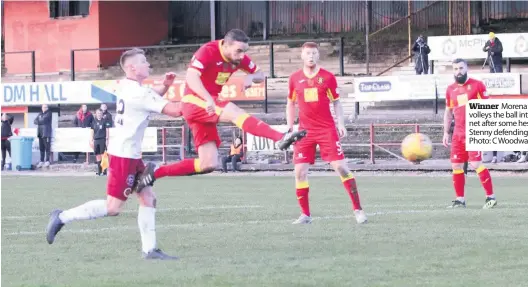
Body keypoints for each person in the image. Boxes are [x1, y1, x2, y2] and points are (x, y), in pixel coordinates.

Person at [46, 48, 184, 260]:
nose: (148, 64)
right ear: (132, 67)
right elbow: (175, 110)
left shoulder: (128, 87)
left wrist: (165, 86)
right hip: (124, 156)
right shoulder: (139, 92)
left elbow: (149, 97)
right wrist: (203, 99)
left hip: (129, 153)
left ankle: (150, 250)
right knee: (113, 207)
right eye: (144, 61)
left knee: (148, 197)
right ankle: (62, 217)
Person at [134, 29, 306, 191]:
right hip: (195, 101)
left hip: (206, 107)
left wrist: (251, 76)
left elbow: (260, 74)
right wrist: (208, 99)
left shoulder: (239, 59)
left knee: (207, 163)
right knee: (236, 113)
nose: (242, 55)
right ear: (226, 45)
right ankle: (281, 137)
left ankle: (155, 171)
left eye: (245, 51)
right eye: (239, 50)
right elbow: (192, 77)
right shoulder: (208, 51)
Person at [286, 42, 367, 224]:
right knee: (299, 172)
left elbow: (337, 102)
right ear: (302, 56)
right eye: (307, 53)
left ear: (318, 55)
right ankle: (305, 215)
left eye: (314, 53)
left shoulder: (328, 77)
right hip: (304, 132)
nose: (311, 56)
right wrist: (290, 127)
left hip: (326, 129)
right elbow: (290, 103)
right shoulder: (294, 79)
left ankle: (358, 210)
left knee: (341, 168)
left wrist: (341, 123)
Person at [442, 58, 497, 209]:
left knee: (476, 163)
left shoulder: (477, 85)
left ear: (467, 68)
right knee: (456, 165)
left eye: (461, 68)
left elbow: (488, 108)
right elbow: (448, 112)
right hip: (458, 134)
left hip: (474, 131)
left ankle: (490, 197)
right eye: (455, 69)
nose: (458, 71)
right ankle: (460, 200)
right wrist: (446, 132)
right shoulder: (450, 89)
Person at [90, 108, 111, 175]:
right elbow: (92, 131)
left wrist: (107, 139)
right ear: (96, 114)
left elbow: (107, 130)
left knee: (103, 155)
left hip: (102, 139)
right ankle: (99, 171)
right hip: (96, 140)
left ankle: (104, 171)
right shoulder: (94, 122)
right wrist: (91, 139)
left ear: (102, 114)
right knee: (97, 155)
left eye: (100, 113)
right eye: (98, 113)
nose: (99, 114)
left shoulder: (104, 121)